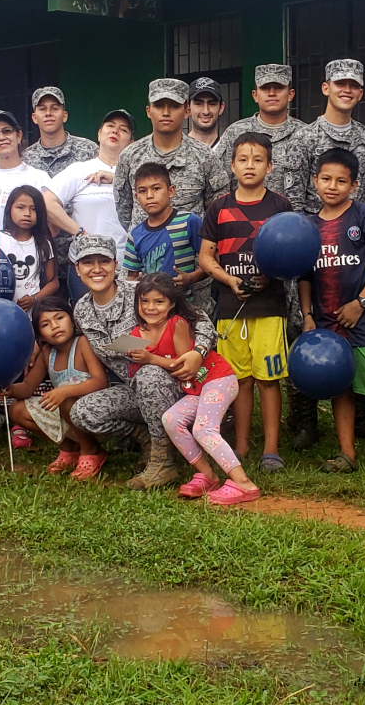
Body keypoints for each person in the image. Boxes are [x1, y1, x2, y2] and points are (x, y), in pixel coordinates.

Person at [67, 234, 219, 490]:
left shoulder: (141, 292)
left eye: (103, 261)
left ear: (116, 265)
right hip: (133, 388)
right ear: (77, 269)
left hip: (177, 385)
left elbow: (199, 319)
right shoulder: (81, 310)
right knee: (83, 414)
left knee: (149, 375)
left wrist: (198, 352)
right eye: (87, 262)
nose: (96, 269)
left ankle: (164, 462)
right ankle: (147, 440)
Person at [299, 149, 365, 474]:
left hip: (364, 322)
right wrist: (307, 316)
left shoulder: (364, 217)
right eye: (326, 179)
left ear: (354, 185)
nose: (333, 186)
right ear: (315, 181)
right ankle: (347, 454)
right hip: (327, 325)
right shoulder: (309, 226)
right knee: (339, 387)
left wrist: (361, 303)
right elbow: (304, 275)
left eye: (341, 181)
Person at [199, 132, 294, 472]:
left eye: (257, 160)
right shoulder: (219, 207)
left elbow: (292, 253)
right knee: (239, 381)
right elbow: (206, 258)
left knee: (268, 378)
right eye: (243, 159)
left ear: (269, 166)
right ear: (232, 165)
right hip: (229, 309)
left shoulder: (281, 207)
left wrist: (272, 275)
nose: (249, 166)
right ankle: (239, 445)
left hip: (269, 309)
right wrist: (229, 280)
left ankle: (271, 449)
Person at [133, 273, 261, 504]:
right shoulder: (137, 332)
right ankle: (208, 475)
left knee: (204, 429)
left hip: (217, 379)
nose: (151, 307)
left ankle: (244, 483)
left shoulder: (177, 323)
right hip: (195, 389)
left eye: (159, 301)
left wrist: (149, 358)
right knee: (171, 419)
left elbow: (184, 365)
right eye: (145, 301)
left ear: (172, 304)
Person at [5, 297, 109, 479]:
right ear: (40, 334)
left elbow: (101, 381)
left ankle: (91, 450)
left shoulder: (82, 343)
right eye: (45, 324)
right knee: (17, 409)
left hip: (94, 416)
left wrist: (65, 391)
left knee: (68, 399)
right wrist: (9, 388)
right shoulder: (47, 353)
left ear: (72, 318)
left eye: (59, 318)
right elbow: (28, 388)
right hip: (66, 414)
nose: (55, 326)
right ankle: (69, 448)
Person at [113, 78, 230, 229]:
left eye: (174, 106)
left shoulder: (205, 156)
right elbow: (124, 210)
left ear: (186, 111)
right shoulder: (130, 156)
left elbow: (217, 207)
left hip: (190, 250)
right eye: (159, 106)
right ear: (148, 111)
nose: (166, 113)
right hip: (144, 249)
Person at [43, 109, 133, 302]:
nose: (115, 131)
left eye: (123, 130)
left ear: (131, 143)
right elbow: (47, 202)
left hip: (128, 266)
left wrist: (117, 180)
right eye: (110, 126)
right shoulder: (79, 170)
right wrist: (80, 232)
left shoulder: (136, 174)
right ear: (99, 134)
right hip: (85, 266)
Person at [213, 64, 312, 212]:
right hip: (242, 223)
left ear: (290, 94)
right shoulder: (235, 133)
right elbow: (220, 186)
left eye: (279, 88)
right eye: (265, 88)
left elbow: (315, 190)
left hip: (292, 226)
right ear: (255, 95)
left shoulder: (306, 135)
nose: (272, 93)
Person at [123, 164, 208, 314]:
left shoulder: (188, 222)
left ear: (171, 191)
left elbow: (211, 260)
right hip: (150, 312)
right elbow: (132, 278)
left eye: (156, 188)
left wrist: (191, 278)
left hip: (182, 309)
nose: (149, 195)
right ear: (136, 197)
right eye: (143, 191)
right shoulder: (135, 235)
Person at [302, 59, 365, 208]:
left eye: (353, 86)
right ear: (326, 88)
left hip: (358, 227)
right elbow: (294, 198)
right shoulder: (304, 137)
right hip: (315, 227)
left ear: (360, 93)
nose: (347, 90)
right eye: (340, 84)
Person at [0, 110, 51, 230]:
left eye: (7, 131)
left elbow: (51, 223)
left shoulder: (39, 178)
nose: (1, 137)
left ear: (19, 136)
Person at [0, 185, 58, 313]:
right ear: (9, 209)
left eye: (34, 209)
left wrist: (35, 298)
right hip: (0, 309)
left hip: (31, 312)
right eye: (20, 207)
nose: (27, 214)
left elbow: (53, 282)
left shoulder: (43, 243)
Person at [23, 86, 99, 177]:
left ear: (64, 116)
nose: (48, 113)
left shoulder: (89, 150)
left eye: (54, 108)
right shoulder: (26, 158)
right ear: (34, 118)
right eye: (42, 109)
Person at [187, 77, 226, 148]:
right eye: (199, 104)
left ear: (221, 108)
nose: (206, 111)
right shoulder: (175, 151)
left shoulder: (230, 152)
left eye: (212, 104)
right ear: (188, 108)